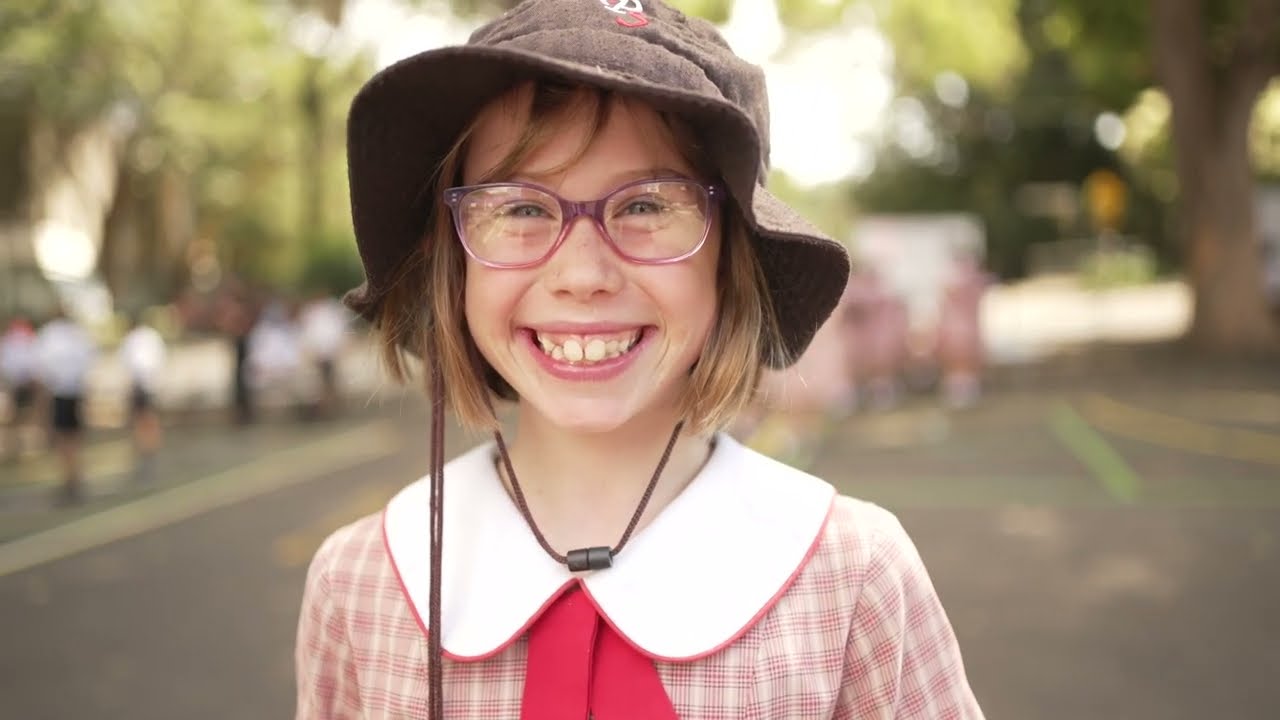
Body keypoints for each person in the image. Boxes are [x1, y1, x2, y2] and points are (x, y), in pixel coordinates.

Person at [295, 1, 984, 718]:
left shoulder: (853, 577)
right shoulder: (358, 584)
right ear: (453, 266)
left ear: (730, 260)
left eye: (648, 205)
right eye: (520, 208)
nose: (582, 274)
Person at [35, 307, 96, 505]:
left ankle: (70, 480)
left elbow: (42, 366)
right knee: (74, 437)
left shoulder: (49, 334)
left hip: (60, 391)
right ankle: (75, 478)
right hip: (74, 390)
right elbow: (88, 359)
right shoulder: (76, 333)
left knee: (63, 438)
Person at [118, 312, 167, 482]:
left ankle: (146, 456)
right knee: (150, 421)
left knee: (141, 422)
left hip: (140, 385)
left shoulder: (132, 339)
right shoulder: (152, 336)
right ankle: (149, 455)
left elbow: (129, 364)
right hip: (151, 384)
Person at [1, 315, 40, 461]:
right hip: (18, 382)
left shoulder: (12, 340)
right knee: (18, 415)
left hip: (19, 382)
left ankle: (17, 446)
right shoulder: (16, 340)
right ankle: (15, 446)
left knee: (20, 415)